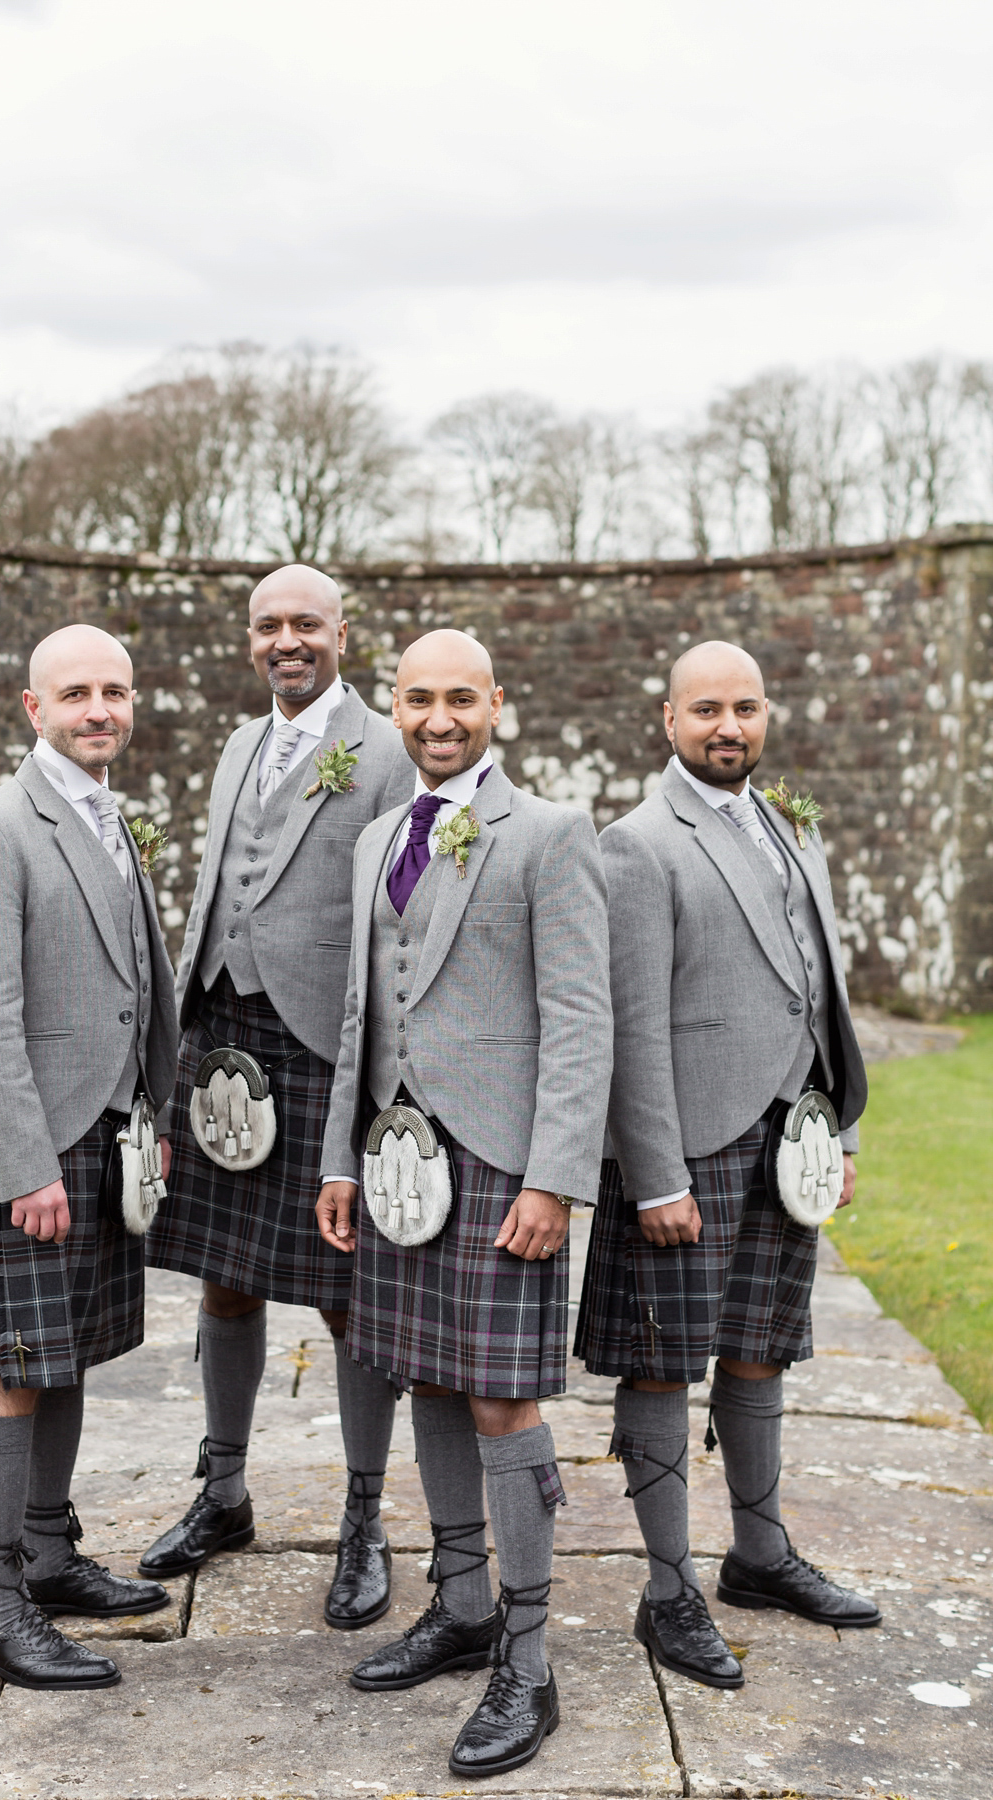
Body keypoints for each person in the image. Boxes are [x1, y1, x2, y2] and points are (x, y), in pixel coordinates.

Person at [315, 629, 612, 1780]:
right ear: (394, 706)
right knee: (424, 1374)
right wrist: (341, 1158)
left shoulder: (550, 834)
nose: (440, 718)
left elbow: (584, 1021)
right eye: (418, 699)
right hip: (396, 1168)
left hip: (499, 1167)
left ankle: (528, 1664)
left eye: (461, 699)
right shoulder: (377, 836)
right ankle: (461, 1603)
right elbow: (361, 1015)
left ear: (498, 703)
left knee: (502, 1403)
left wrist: (553, 1179)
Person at [574, 639, 880, 1694]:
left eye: (744, 708)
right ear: (668, 719)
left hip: (784, 1139)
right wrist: (653, 1173)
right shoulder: (635, 845)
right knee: (663, 1362)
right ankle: (667, 1592)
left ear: (766, 713)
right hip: (686, 1146)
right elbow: (628, 1026)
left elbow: (821, 993)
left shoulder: (792, 828)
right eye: (706, 710)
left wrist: (835, 1132)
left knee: (762, 1349)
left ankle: (759, 1555)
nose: (728, 728)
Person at [139, 565, 415, 1630]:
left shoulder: (390, 751)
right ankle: (225, 1490)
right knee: (222, 1280)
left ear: (343, 632)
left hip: (323, 1048)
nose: (287, 641)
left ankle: (362, 1519)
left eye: (306, 623)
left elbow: (404, 921)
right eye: (269, 626)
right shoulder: (239, 745)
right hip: (221, 1037)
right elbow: (221, 890)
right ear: (249, 639)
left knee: (350, 1297)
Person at [0, 623, 179, 1691]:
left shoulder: (105, 813)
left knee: (65, 1354)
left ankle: (45, 1554)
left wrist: (153, 1106)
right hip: (26, 1149)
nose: (98, 709)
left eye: (114, 691)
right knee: (9, 1375)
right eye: (75, 692)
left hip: (103, 1129)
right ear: (33, 708)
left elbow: (135, 979)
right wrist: (25, 1166)